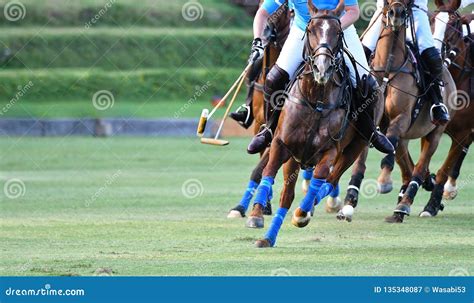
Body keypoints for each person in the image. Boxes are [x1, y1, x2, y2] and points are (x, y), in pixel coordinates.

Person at [236, 0, 394, 155]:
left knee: (368, 84)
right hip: (302, 31)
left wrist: (334, 28)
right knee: (273, 79)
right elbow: (263, 13)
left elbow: (353, 12)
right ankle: (269, 130)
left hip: (339, 30)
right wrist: (257, 41)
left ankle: (370, 130)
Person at [362, 0, 451, 126]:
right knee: (363, 50)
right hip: (385, 11)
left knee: (430, 54)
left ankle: (437, 102)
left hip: (415, 12)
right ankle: (355, 100)